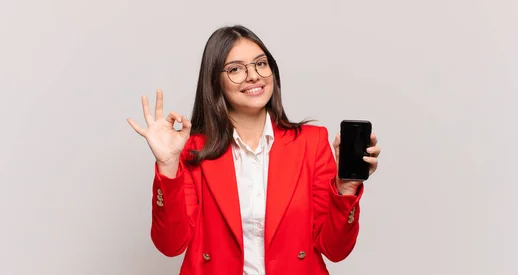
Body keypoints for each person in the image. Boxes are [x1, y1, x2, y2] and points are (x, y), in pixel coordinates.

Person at [127, 25, 381, 275]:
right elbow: (171, 245)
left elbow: (335, 249)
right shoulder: (194, 150)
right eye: (236, 69)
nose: (253, 75)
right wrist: (168, 166)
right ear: (215, 81)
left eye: (260, 63)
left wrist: (346, 188)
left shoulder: (311, 143)